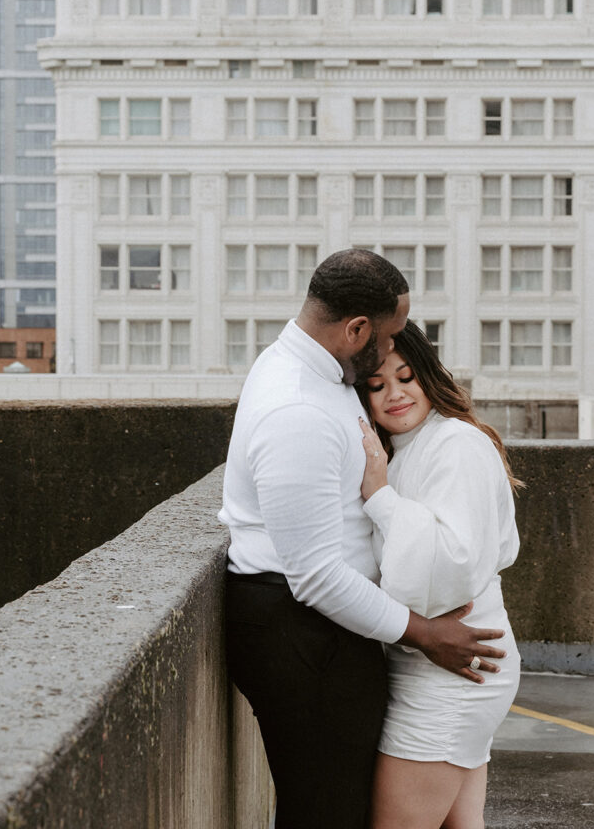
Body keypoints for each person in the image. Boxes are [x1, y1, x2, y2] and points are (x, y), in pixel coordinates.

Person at [218, 249, 507, 829]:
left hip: (323, 628)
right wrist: (426, 633)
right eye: (391, 334)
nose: (399, 346)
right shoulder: (297, 408)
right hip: (301, 631)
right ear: (356, 330)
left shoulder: (313, 373)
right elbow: (316, 576)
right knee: (326, 812)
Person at [356, 320, 522, 829]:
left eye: (407, 377)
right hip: (450, 665)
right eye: (378, 386)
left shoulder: (455, 445)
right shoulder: (411, 450)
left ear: (429, 374)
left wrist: (381, 499)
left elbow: (451, 562)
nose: (395, 395)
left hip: (453, 671)